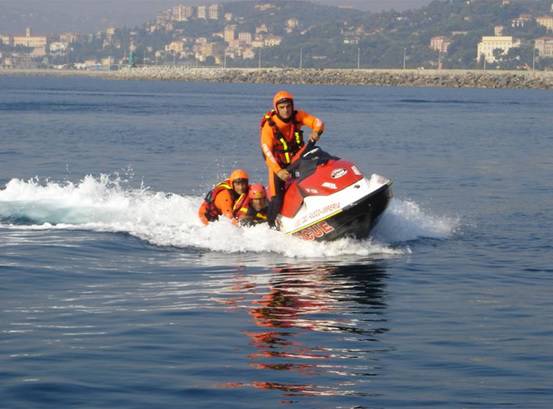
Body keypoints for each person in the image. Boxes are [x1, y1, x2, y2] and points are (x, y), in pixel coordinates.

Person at [260, 90, 325, 225]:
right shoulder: (269, 126)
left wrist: (316, 131)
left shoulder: (298, 116)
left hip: (298, 159)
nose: (286, 110)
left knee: (320, 168)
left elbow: (318, 122)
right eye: (282, 107)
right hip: (278, 166)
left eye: (288, 106)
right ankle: (270, 226)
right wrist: (278, 171)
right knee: (277, 198)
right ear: (276, 108)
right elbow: (267, 152)